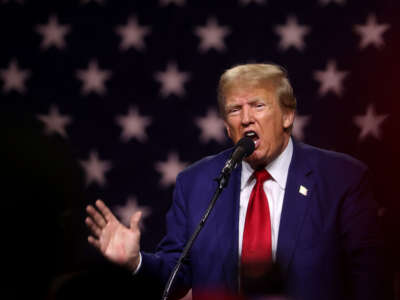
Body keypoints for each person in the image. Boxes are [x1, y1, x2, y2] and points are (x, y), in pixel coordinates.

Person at [85, 63, 384, 300]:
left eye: (258, 105)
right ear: (228, 128)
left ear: (288, 116)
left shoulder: (342, 179)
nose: (246, 119)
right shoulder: (196, 183)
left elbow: (371, 284)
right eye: (234, 110)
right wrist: (136, 261)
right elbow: (177, 276)